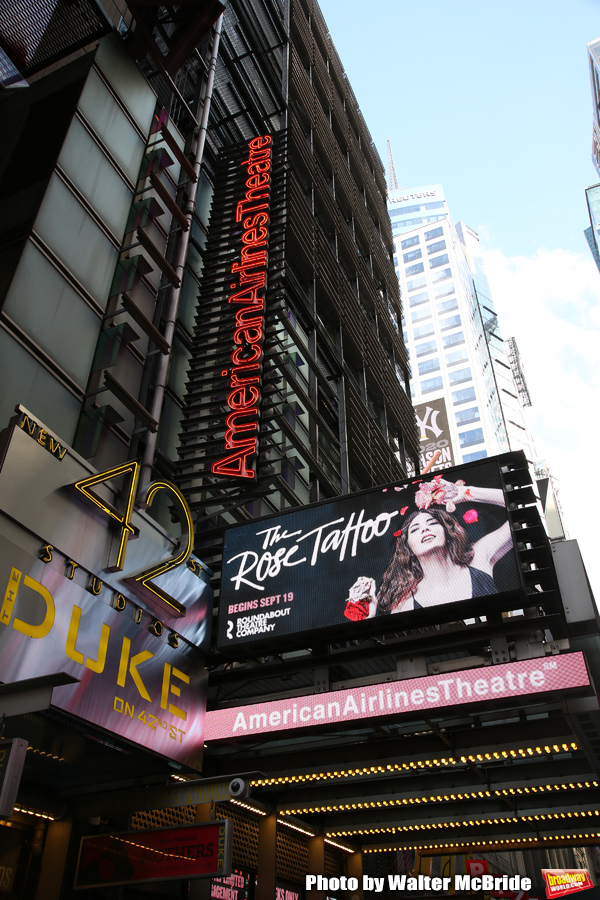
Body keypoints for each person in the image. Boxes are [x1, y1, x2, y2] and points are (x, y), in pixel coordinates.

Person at [345, 476, 512, 616]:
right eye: (415, 529)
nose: (425, 528)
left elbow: (516, 507)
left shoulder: (477, 557)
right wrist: (370, 619)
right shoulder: (406, 604)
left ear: (447, 532)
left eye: (432, 523)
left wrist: (467, 493)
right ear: (408, 547)